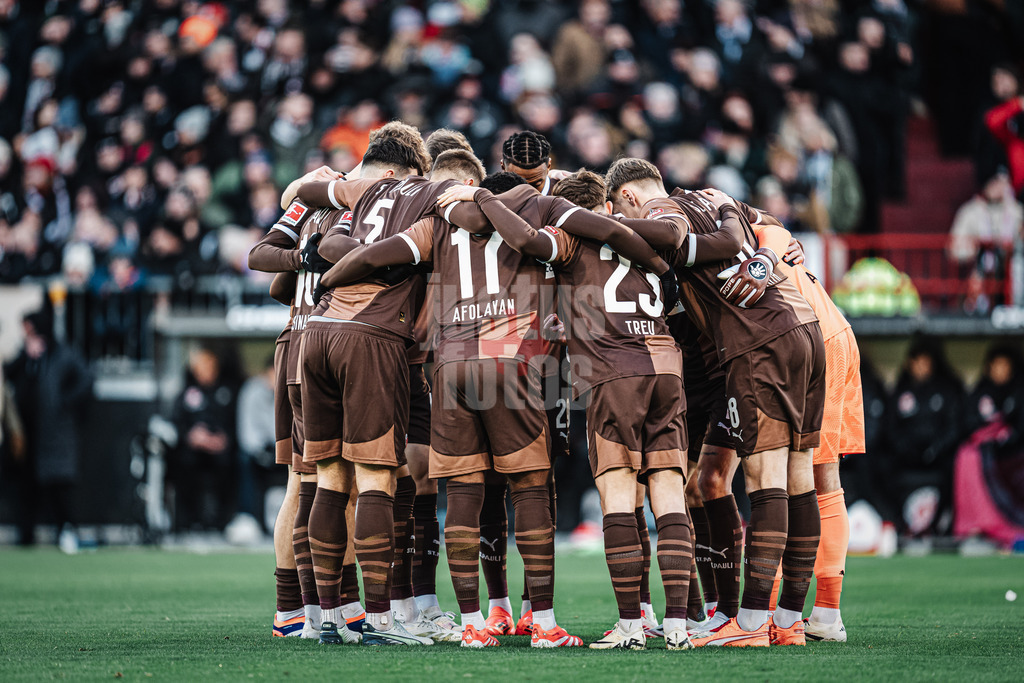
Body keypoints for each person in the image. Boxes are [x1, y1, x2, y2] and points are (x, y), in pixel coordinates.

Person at [430, 169, 693, 650]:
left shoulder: (568, 240)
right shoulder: (652, 242)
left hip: (609, 372)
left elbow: (529, 241)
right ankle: (676, 622)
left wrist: (483, 197)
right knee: (668, 494)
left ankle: (628, 625)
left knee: (614, 496)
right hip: (665, 365)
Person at [606, 158, 825, 647]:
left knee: (766, 479)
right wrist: (751, 239)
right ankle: (789, 619)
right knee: (798, 474)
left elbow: (673, 232)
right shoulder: (712, 196)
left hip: (756, 343)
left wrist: (618, 227)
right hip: (804, 330)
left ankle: (748, 624)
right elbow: (776, 230)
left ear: (630, 198)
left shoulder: (661, 209)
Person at [5, 309, 92, 551]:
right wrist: (26, 356)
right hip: (25, 431)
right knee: (26, 488)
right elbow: (8, 373)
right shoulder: (27, 355)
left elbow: (85, 379)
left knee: (59, 485)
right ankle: (26, 536)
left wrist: (65, 402)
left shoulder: (62, 354)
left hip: (54, 431)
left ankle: (66, 532)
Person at [883, 337, 965, 537]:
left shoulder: (945, 390)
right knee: (880, 464)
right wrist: (906, 449)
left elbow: (954, 428)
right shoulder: (901, 391)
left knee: (958, 462)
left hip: (938, 455)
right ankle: (898, 523)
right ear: (909, 364)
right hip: (906, 456)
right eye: (917, 362)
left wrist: (935, 449)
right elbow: (891, 429)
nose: (921, 367)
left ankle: (942, 524)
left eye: (925, 362)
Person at [171, 346, 237, 532]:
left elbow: (233, 423)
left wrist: (223, 439)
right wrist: (191, 437)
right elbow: (177, 424)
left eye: (209, 365)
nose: (206, 370)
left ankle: (221, 522)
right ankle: (189, 521)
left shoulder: (226, 392)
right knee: (184, 464)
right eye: (201, 366)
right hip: (193, 451)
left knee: (229, 465)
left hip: (219, 451)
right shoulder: (186, 393)